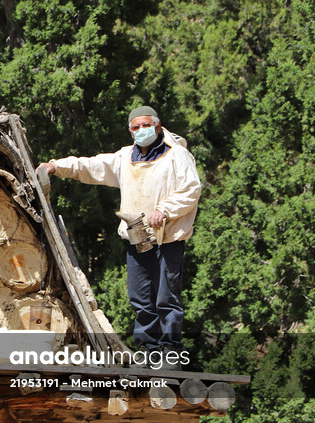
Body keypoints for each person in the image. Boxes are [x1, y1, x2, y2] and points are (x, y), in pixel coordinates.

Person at [42, 106, 201, 358]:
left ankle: (171, 352)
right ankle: (150, 351)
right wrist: (56, 166)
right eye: (136, 127)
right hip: (136, 238)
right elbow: (92, 166)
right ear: (130, 131)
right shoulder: (126, 157)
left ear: (158, 126)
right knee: (141, 299)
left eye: (146, 126)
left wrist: (164, 210)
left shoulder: (177, 156)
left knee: (166, 299)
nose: (141, 131)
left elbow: (191, 190)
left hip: (168, 238)